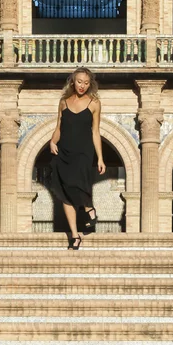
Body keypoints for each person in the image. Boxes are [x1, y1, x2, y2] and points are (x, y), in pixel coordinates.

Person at [50, 67, 106, 249]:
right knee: (64, 193)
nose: (82, 86)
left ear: (91, 84)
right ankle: (75, 235)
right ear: (73, 82)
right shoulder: (63, 102)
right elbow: (59, 126)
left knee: (77, 183)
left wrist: (100, 158)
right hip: (63, 151)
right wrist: (52, 141)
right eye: (79, 82)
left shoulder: (94, 103)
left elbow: (96, 132)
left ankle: (89, 208)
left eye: (86, 83)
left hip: (83, 151)